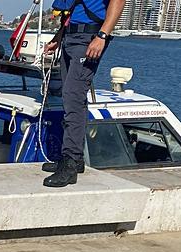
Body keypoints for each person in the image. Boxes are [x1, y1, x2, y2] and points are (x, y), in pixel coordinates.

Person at [42, 0, 125, 188]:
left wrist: (102, 36)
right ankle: (75, 159)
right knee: (71, 97)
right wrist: (57, 37)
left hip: (88, 38)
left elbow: (119, 1)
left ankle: (70, 163)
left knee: (73, 97)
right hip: (70, 37)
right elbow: (73, 9)